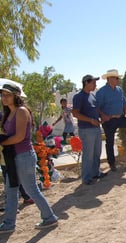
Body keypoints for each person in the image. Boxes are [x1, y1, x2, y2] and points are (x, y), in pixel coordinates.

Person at [0, 83, 58, 234]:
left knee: (30, 188)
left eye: (7, 95)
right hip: (13, 156)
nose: (4, 98)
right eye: (3, 95)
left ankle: (49, 217)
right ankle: (8, 223)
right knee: (11, 190)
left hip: (23, 155)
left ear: (16, 96)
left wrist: (2, 141)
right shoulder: (9, 112)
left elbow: (19, 137)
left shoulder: (21, 111)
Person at [96, 69, 126, 172]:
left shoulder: (119, 90)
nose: (118, 80)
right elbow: (97, 106)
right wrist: (103, 116)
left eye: (118, 78)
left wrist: (125, 113)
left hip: (120, 117)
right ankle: (112, 163)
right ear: (109, 79)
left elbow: (124, 103)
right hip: (109, 120)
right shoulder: (101, 91)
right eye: (116, 78)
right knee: (110, 141)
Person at [72, 75, 107, 184]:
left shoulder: (92, 96)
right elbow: (75, 113)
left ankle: (95, 173)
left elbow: (96, 108)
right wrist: (90, 120)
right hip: (87, 130)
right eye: (93, 83)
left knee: (97, 152)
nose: (95, 85)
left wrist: (102, 116)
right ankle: (86, 178)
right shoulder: (79, 96)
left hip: (96, 128)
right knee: (88, 154)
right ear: (86, 83)